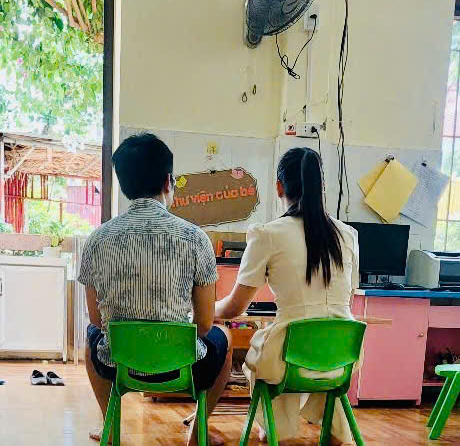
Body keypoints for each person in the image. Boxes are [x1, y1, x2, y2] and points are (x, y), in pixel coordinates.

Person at [78, 133, 232, 446]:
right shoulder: (195, 238)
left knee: (90, 335)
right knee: (224, 337)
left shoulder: (97, 239)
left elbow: (96, 318)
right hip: (183, 365)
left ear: (124, 185)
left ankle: (110, 427)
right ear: (167, 182)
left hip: (118, 363)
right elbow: (204, 323)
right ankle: (198, 431)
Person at [215, 147, 359, 445]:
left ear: (279, 187)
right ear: (322, 187)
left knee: (265, 358)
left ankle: (277, 429)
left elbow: (234, 307)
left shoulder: (267, 234)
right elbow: (348, 296)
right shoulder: (348, 235)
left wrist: (205, 309)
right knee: (301, 356)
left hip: (289, 355)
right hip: (343, 357)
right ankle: (332, 429)